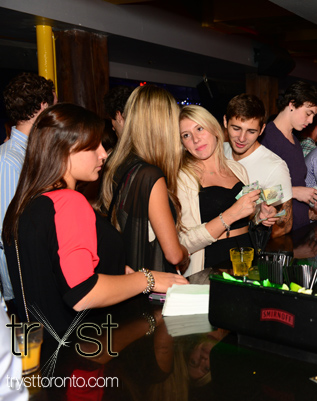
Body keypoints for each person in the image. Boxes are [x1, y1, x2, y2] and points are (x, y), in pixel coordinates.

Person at [2, 103, 187, 335]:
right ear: (64, 150)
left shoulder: (25, 204)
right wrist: (148, 279)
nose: (103, 154)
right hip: (84, 346)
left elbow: (52, 271)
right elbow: (83, 293)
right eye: (93, 147)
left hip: (44, 346)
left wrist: (118, 271)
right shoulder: (68, 201)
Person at [178, 105, 276, 279]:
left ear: (214, 129)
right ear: (183, 144)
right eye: (186, 135)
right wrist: (230, 215)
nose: (195, 139)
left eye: (199, 129)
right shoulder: (182, 178)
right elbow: (183, 242)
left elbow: (245, 217)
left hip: (247, 256)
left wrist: (259, 215)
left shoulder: (237, 168)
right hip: (211, 264)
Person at [100, 85, 189, 274]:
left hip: (130, 279)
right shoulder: (150, 175)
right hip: (154, 283)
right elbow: (173, 255)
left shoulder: (117, 165)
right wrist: (186, 254)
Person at [0, 72, 55, 307]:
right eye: (53, 106)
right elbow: (8, 232)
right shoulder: (9, 160)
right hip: (24, 286)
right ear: (43, 106)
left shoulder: (29, 155)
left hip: (35, 280)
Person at [260, 81, 317, 230]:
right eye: (308, 113)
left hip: (299, 229)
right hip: (278, 232)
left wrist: (313, 204)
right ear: (292, 104)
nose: (310, 120)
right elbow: (256, 195)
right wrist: (295, 192)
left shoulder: (296, 142)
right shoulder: (266, 138)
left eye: (313, 115)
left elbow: (298, 190)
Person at [223, 94, 293, 237]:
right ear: (225, 121)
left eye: (251, 131)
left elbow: (285, 224)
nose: (242, 138)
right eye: (236, 128)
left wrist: (268, 218)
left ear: (261, 130)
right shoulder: (218, 152)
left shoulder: (273, 167)